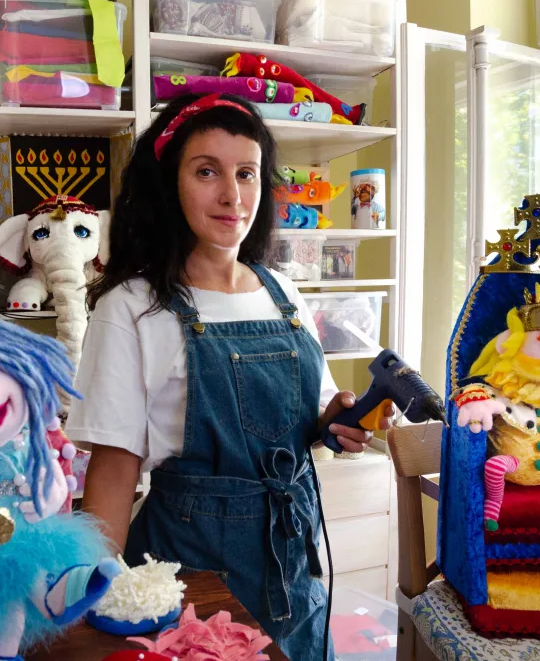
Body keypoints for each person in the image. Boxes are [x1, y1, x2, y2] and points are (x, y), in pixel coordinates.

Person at [65, 93, 395, 660]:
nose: (232, 195)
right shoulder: (133, 307)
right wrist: (93, 607)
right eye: (206, 172)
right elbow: (114, 473)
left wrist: (337, 420)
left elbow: (307, 420)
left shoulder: (282, 291)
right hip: (187, 575)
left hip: (293, 566)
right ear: (169, 184)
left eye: (246, 173)